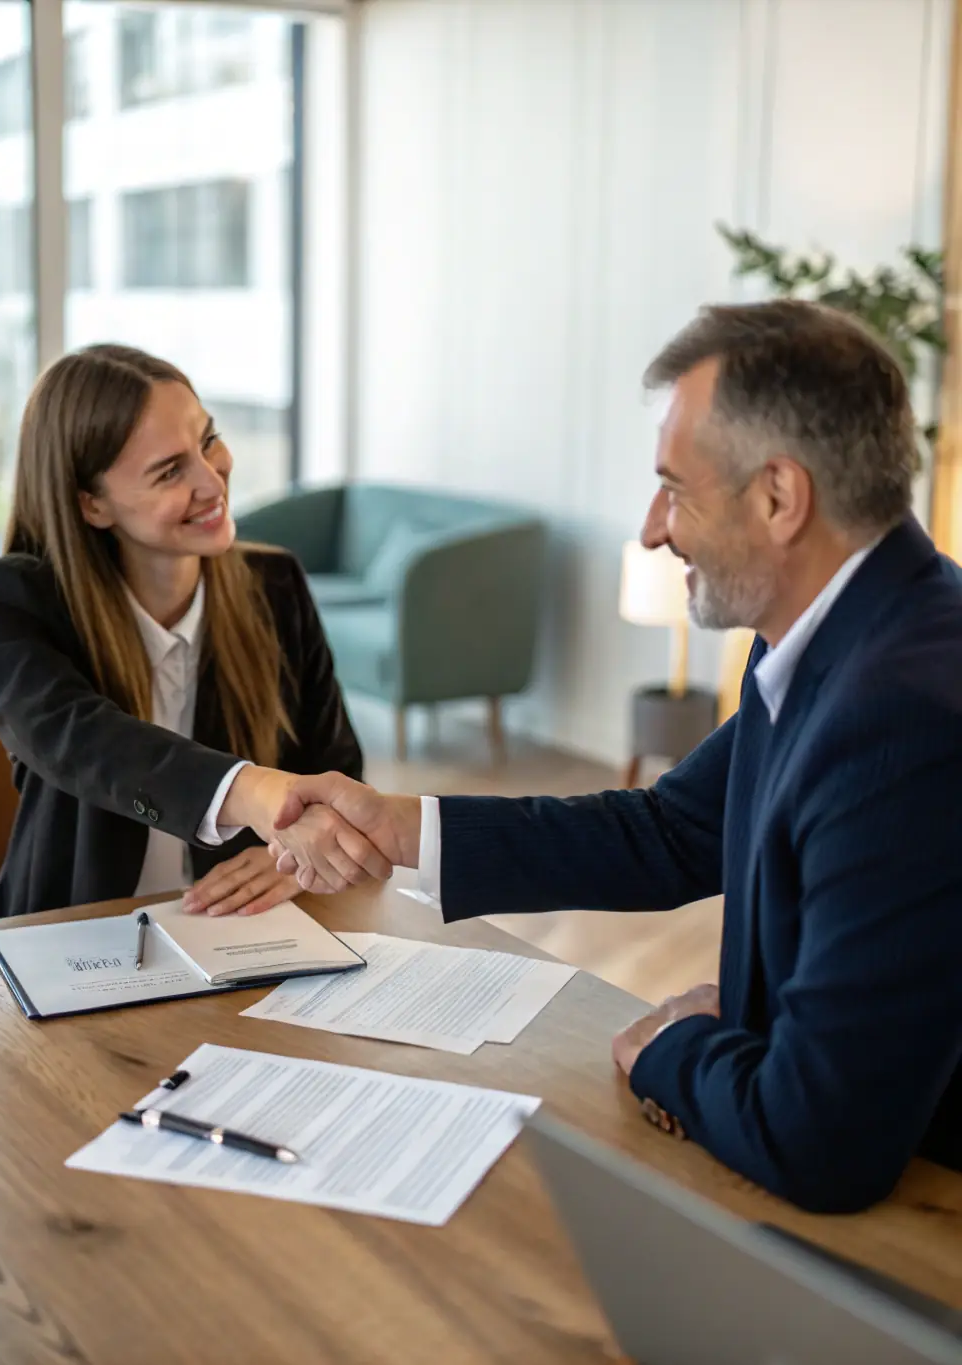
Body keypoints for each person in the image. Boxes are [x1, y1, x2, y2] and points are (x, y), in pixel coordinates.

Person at [266, 300, 962, 1214]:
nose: (651, 529)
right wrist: (403, 827)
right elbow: (675, 827)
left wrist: (675, 1045)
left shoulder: (906, 710)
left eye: (675, 487)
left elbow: (822, 1138)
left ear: (780, 497)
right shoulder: (835, 632)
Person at [0, 344, 389, 921]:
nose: (213, 482)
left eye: (208, 441)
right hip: (73, 937)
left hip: (238, 933)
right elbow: (87, 743)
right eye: (170, 471)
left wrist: (280, 853)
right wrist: (259, 795)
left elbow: (336, 771)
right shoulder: (11, 601)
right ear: (92, 504)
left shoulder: (275, 585)